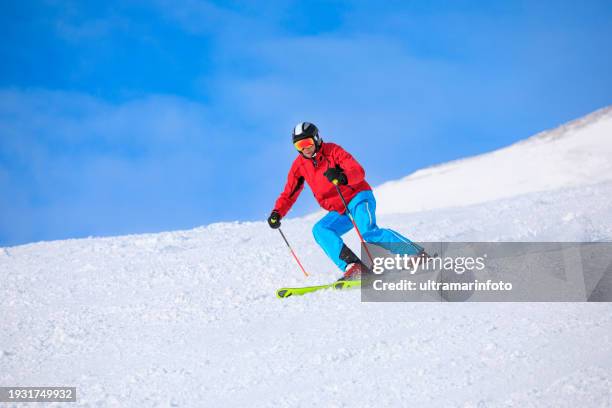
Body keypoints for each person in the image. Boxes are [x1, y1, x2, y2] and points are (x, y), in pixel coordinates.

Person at [267, 122, 419, 280]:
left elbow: (358, 171)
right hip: (339, 209)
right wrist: (277, 212)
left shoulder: (332, 150)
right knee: (321, 230)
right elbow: (289, 193)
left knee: (368, 232)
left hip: (358, 197)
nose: (305, 148)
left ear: (317, 139)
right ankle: (354, 266)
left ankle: (415, 254)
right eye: (299, 145)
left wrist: (343, 177)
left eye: (307, 143)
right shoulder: (299, 166)